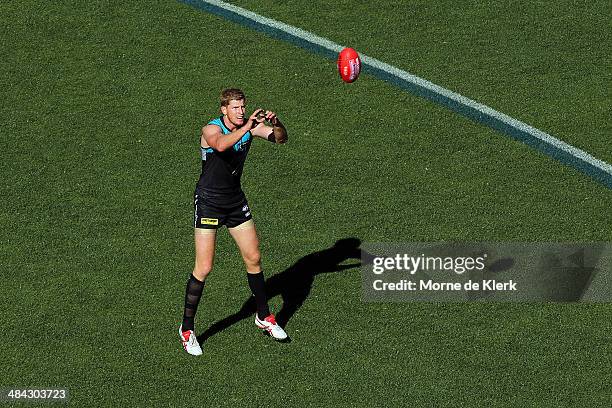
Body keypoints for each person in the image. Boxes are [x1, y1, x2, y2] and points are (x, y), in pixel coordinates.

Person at [179, 88, 289, 356]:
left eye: (243, 107)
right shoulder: (210, 129)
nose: (241, 111)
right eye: (236, 108)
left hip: (234, 201)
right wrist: (249, 126)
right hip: (209, 202)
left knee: (254, 258)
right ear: (224, 110)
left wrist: (275, 124)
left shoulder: (248, 127)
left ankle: (264, 316)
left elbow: (280, 139)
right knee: (204, 267)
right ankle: (187, 328)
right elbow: (220, 145)